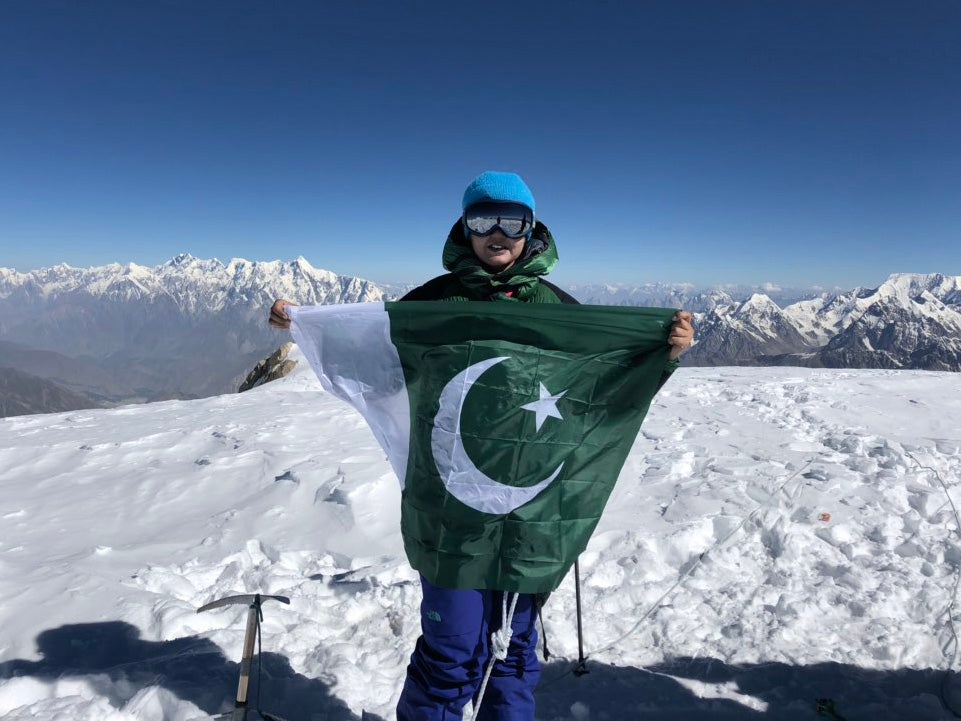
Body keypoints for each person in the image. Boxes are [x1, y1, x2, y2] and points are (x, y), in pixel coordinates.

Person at [269, 171, 694, 720]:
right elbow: (376, 356)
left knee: (514, 655)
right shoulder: (434, 303)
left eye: (512, 220)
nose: (498, 232)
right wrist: (305, 324)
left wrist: (661, 354)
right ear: (464, 227)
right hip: (451, 512)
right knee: (451, 655)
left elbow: (603, 384)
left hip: (531, 514)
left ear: (532, 228)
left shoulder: (561, 309)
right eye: (482, 219)